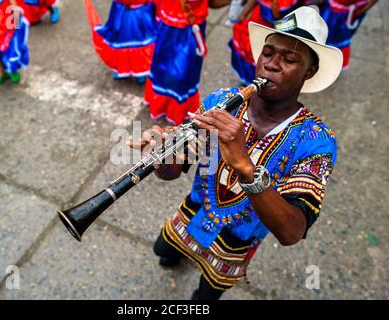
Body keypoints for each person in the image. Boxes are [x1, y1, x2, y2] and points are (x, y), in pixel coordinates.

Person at [132, 5, 342, 299]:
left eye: (289, 59)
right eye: (268, 53)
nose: (271, 64)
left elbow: (291, 232)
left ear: (309, 71)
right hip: (192, 214)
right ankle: (173, 255)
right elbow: (172, 172)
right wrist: (163, 157)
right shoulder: (222, 100)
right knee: (162, 250)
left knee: (207, 295)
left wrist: (247, 168)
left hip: (236, 243)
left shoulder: (318, 142)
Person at [145, 0, 229, 125]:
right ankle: (166, 104)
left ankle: (175, 108)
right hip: (173, 25)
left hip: (188, 28)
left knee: (182, 73)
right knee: (166, 69)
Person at [83, 0, 157, 85]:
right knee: (141, 41)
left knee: (121, 40)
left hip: (123, 12)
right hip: (141, 13)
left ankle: (121, 69)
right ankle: (140, 73)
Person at [229, 0, 302, 86]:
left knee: (263, 53)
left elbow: (287, 23)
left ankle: (264, 80)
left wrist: (276, 16)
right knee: (244, 40)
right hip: (259, 19)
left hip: (279, 27)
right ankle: (248, 80)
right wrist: (244, 13)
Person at [319, 0, 378, 69]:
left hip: (346, 15)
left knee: (337, 39)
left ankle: (331, 63)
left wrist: (363, 10)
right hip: (332, 9)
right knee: (325, 35)